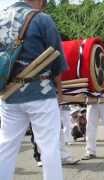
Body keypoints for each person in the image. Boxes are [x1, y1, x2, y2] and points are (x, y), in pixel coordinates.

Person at [0, 0, 67, 179]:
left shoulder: (1, 18)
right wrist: (59, 92)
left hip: (9, 94)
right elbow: (57, 63)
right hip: (41, 92)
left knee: (5, 146)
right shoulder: (42, 19)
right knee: (49, 148)